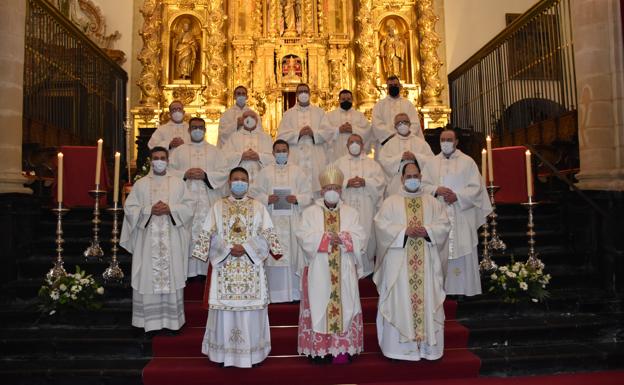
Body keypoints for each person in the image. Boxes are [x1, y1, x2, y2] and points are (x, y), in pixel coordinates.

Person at [192, 167, 282, 368]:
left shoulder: (259, 207)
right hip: (225, 267)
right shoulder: (217, 206)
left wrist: (247, 247)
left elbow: (268, 236)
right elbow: (208, 236)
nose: (239, 182)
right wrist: (227, 249)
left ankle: (253, 354)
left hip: (251, 269)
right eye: (235, 179)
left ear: (248, 183)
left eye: (243, 179)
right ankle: (223, 353)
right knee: (225, 310)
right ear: (229, 182)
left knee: (251, 310)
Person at [373, 161, 450, 361]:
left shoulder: (432, 202)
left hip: (426, 260)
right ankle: (401, 349)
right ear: (402, 179)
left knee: (426, 298)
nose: (413, 179)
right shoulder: (391, 202)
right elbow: (381, 225)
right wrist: (403, 231)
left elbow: (444, 224)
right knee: (401, 301)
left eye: (416, 176)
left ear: (421, 177)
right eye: (409, 176)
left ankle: (426, 348)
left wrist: (429, 231)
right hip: (400, 264)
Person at [295, 165, 366, 364]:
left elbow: (361, 236)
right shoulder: (310, 213)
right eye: (328, 188)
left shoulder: (351, 213)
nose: (332, 191)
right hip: (319, 269)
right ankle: (320, 351)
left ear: (341, 190)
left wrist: (344, 238)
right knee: (320, 306)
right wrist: (325, 238)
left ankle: (343, 350)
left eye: (336, 187)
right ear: (322, 191)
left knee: (345, 305)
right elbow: (302, 236)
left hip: (343, 269)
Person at [120, 146, 194, 332]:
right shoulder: (141, 184)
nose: (159, 161)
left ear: (168, 161)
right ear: (150, 161)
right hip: (147, 242)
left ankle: (172, 324)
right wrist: (148, 210)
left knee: (172, 273)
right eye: (156, 158)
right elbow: (130, 208)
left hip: (171, 239)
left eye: (162, 157)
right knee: (147, 276)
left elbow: (189, 206)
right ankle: (147, 323)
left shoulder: (178, 183)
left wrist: (171, 209)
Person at [421, 128, 492, 296]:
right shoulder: (431, 163)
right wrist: (437, 189)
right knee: (440, 251)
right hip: (439, 214)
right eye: (442, 139)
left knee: (464, 248)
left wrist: (458, 197)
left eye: (449, 139)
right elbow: (422, 185)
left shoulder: (467, 162)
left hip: (461, 213)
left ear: (456, 142)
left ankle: (464, 290)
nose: (445, 143)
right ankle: (441, 290)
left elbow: (476, 188)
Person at [252, 139, 314, 302]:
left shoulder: (297, 172)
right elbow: (254, 193)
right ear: (273, 153)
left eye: (283, 150)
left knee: (292, 254)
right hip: (272, 220)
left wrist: (297, 199)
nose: (281, 153)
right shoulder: (265, 172)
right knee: (274, 256)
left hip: (292, 220)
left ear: (288, 152)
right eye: (278, 150)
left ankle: (293, 293)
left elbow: (309, 195)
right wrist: (266, 198)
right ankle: (274, 294)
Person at [168, 117, 228, 278]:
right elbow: (170, 172)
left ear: (205, 130)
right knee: (186, 233)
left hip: (207, 201)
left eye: (200, 127)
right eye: (194, 127)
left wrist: (206, 175)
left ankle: (205, 271)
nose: (197, 130)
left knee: (207, 231)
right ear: (188, 130)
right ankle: (187, 272)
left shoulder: (215, 151)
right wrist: (184, 174)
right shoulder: (179, 151)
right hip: (185, 202)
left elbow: (224, 172)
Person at [332, 133, 385, 276]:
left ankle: (366, 269)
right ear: (347, 145)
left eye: (357, 142)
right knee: (346, 231)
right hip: (345, 206)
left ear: (362, 145)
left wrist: (366, 182)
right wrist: (345, 183)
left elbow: (380, 184)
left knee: (366, 233)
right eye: (351, 142)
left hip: (366, 206)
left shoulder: (372, 164)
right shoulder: (338, 164)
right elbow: (332, 184)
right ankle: (347, 265)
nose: (354, 144)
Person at [277, 83, 331, 193]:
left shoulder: (319, 113)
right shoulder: (288, 114)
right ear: (296, 94)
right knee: (297, 189)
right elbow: (281, 136)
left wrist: (314, 133)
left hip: (315, 156)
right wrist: (298, 134)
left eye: (305, 91)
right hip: (296, 155)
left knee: (316, 188)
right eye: (300, 92)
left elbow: (327, 132)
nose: (303, 94)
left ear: (310, 94)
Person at [378, 113, 433, 197]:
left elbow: (431, 160)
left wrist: (416, 157)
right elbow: (383, 162)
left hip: (418, 184)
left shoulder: (421, 143)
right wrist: (400, 158)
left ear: (410, 124)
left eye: (405, 122)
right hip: (396, 185)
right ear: (395, 127)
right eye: (399, 123)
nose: (402, 125)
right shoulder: (388, 145)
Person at [371, 76, 423, 154]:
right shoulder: (379, 105)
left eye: (395, 85)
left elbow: (415, 123)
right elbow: (377, 124)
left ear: (400, 86)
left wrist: (404, 134)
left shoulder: (408, 104)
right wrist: (392, 135)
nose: (393, 87)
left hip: (406, 142)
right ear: (387, 88)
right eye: (390, 86)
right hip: (387, 143)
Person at [222, 110, 273, 186]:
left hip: (261, 178)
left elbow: (273, 158)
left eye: (252, 117)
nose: (249, 119)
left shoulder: (266, 137)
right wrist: (240, 156)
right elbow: (224, 157)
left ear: (257, 120)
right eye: (245, 117)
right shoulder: (234, 137)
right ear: (242, 120)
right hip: (239, 180)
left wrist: (259, 156)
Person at [320, 89, 372, 162]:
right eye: (343, 99)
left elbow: (367, 131)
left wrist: (353, 129)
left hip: (356, 155)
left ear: (352, 100)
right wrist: (338, 130)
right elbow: (324, 131)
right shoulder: (330, 115)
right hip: (336, 155)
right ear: (339, 100)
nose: (346, 101)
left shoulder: (359, 115)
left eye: (348, 99)